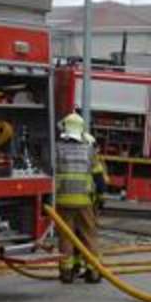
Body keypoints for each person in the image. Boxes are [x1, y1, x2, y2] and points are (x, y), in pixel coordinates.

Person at [56, 113, 101, 284]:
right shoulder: (89, 149)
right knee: (88, 235)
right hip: (84, 201)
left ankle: (66, 272)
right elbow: (97, 175)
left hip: (63, 200)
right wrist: (100, 196)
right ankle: (93, 271)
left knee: (66, 236)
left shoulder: (57, 148)